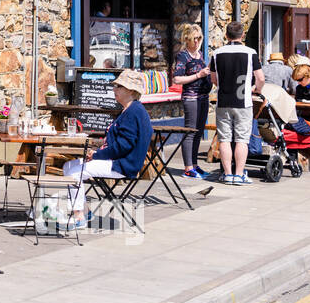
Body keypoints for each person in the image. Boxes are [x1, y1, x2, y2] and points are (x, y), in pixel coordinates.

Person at [62, 68, 153, 229]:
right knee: (68, 166)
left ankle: (78, 217)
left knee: (74, 173)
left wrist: (97, 155)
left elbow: (123, 146)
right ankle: (85, 210)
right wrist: (97, 152)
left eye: (119, 86)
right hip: (115, 159)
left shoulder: (134, 112)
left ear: (131, 91)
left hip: (122, 164)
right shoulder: (130, 110)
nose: (114, 89)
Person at [210, 21, 265, 185]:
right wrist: (256, 88)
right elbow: (260, 77)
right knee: (242, 139)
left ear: (226, 36)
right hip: (243, 101)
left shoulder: (217, 53)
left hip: (223, 100)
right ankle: (239, 174)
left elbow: (214, 79)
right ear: (242, 35)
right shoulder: (250, 52)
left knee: (225, 139)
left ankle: (227, 174)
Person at [171, 24, 212, 179]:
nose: (197, 41)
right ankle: (188, 167)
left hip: (203, 97)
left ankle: (194, 165)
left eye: (199, 38)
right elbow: (177, 78)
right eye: (194, 38)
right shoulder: (183, 56)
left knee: (199, 132)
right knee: (190, 131)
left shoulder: (200, 54)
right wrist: (198, 75)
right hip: (191, 97)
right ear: (187, 39)